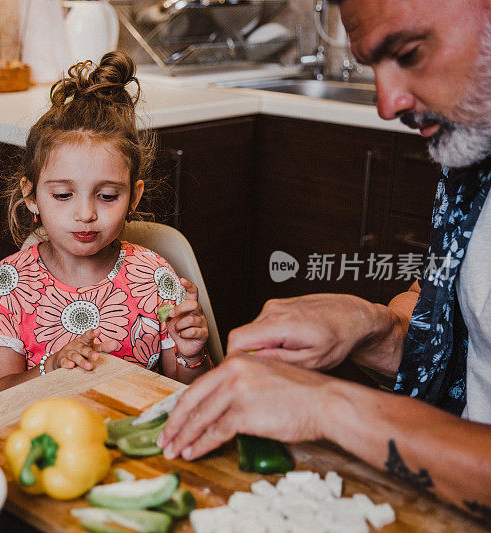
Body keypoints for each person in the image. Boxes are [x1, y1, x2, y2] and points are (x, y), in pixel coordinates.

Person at [159, 0, 491, 522]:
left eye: (407, 52)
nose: (387, 103)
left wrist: (326, 405)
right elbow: (471, 336)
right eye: (370, 65)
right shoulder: (476, 143)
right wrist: (376, 326)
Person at [0, 51, 210, 396]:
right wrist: (51, 367)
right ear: (31, 196)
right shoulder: (10, 285)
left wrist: (192, 354)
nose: (85, 214)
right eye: (63, 195)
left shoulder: (157, 279)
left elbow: (187, 395)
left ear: (134, 197)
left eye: (107, 196)